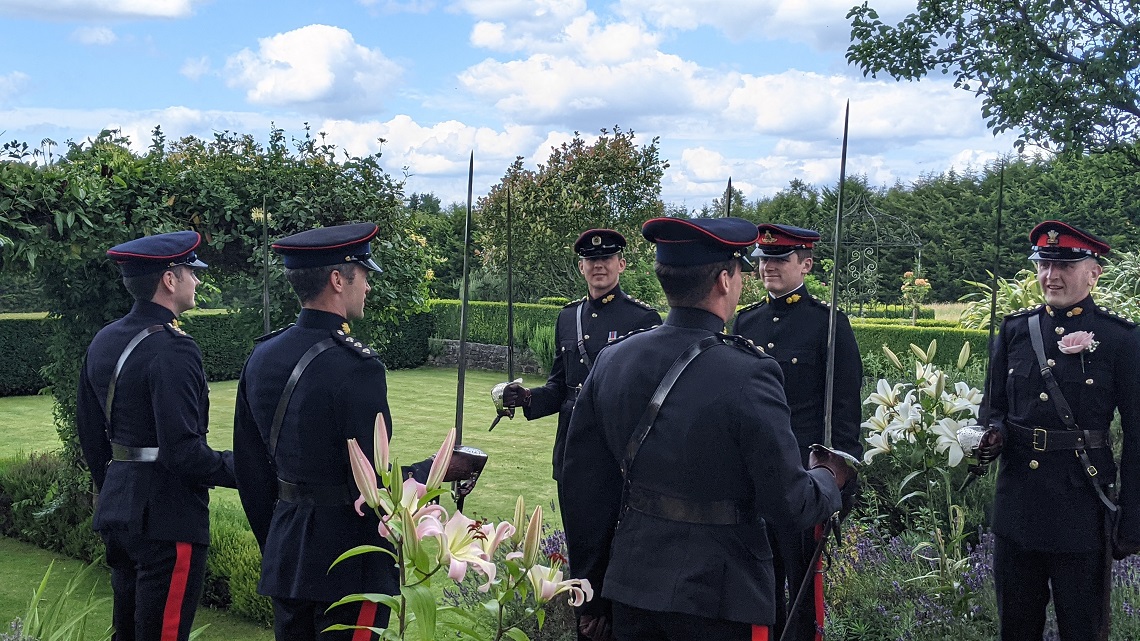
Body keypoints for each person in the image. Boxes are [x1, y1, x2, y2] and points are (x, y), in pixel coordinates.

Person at [561, 216, 854, 641]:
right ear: (723, 280)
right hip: (721, 595)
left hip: (632, 584)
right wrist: (831, 478)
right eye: (740, 270)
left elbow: (583, 489)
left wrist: (590, 589)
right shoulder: (749, 374)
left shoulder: (614, 360)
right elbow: (788, 502)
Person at [233, 222, 482, 641]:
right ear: (337, 279)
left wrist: (277, 541)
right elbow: (373, 487)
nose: (367, 285)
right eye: (363, 275)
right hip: (350, 565)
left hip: (287, 556)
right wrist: (442, 468)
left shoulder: (262, 356)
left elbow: (250, 470)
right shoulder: (358, 368)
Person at [977, 221, 1140, 641]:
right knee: (1016, 628)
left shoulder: (1120, 339)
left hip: (1081, 508)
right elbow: (993, 408)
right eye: (1045, 264)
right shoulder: (1014, 331)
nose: (1052, 276)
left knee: (1083, 628)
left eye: (1065, 265)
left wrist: (1133, 519)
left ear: (1094, 272)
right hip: (1018, 507)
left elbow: (1138, 436)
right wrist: (991, 433)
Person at [77, 231, 237, 641]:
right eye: (191, 272)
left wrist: (113, 486)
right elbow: (183, 452)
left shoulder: (104, 339)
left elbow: (92, 436)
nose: (197, 281)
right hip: (169, 515)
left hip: (118, 507)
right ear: (170, 279)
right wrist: (250, 468)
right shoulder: (174, 348)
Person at [732, 223, 863, 641]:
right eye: (764, 259)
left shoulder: (827, 324)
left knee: (804, 584)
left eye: (780, 258)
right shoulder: (744, 322)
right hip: (751, 473)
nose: (769, 266)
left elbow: (844, 403)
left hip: (801, 474)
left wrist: (838, 473)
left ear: (805, 263)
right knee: (756, 581)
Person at [494, 229, 661, 503]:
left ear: (621, 264)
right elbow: (560, 387)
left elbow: (651, 395)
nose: (599, 265)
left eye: (607, 257)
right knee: (576, 542)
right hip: (571, 452)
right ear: (581, 267)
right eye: (591, 259)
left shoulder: (642, 319)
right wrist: (525, 398)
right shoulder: (568, 317)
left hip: (616, 454)